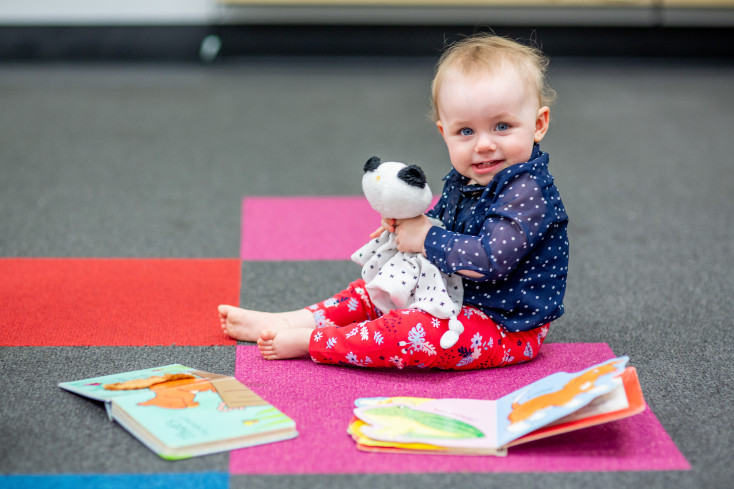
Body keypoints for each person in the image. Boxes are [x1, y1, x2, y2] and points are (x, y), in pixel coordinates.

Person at [219, 34, 569, 370]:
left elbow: (492, 259)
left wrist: (426, 238)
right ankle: (290, 320)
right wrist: (411, 225)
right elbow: (446, 222)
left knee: (413, 332)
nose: (484, 145)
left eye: (502, 127)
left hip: (504, 325)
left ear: (538, 124)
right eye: (466, 131)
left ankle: (315, 340)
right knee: (377, 289)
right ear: (443, 132)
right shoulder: (470, 176)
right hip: (452, 293)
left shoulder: (528, 191)